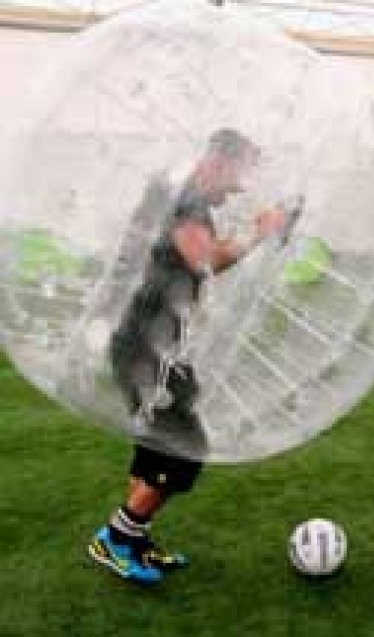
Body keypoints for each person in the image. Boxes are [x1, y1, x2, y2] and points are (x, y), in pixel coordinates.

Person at [88, 128, 288, 584]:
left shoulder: (184, 199)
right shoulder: (187, 202)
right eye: (240, 174)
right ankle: (116, 538)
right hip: (144, 348)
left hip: (153, 346)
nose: (240, 186)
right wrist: (261, 230)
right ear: (219, 161)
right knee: (184, 449)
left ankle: (134, 539)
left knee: (159, 444)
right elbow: (204, 261)